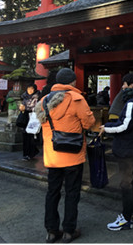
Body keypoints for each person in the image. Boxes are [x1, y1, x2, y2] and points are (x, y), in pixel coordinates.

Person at [36, 68, 95, 243]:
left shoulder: (44, 101)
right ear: (73, 82)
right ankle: (69, 231)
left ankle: (52, 231)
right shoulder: (77, 99)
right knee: (72, 192)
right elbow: (89, 123)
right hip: (73, 155)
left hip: (52, 155)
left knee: (52, 192)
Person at [100, 73, 133, 231]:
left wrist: (106, 128)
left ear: (131, 85)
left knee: (125, 183)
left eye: (125, 84)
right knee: (129, 181)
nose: (122, 87)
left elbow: (125, 125)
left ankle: (126, 218)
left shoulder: (132, 102)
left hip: (126, 147)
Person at [18, 84, 40, 160]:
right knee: (25, 136)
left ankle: (31, 153)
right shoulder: (24, 97)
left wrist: (27, 108)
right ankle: (26, 154)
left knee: (31, 137)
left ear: (35, 90)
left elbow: (38, 107)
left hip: (33, 118)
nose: (30, 91)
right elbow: (22, 106)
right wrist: (21, 108)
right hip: (25, 118)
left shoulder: (38, 97)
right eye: (28, 89)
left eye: (32, 89)